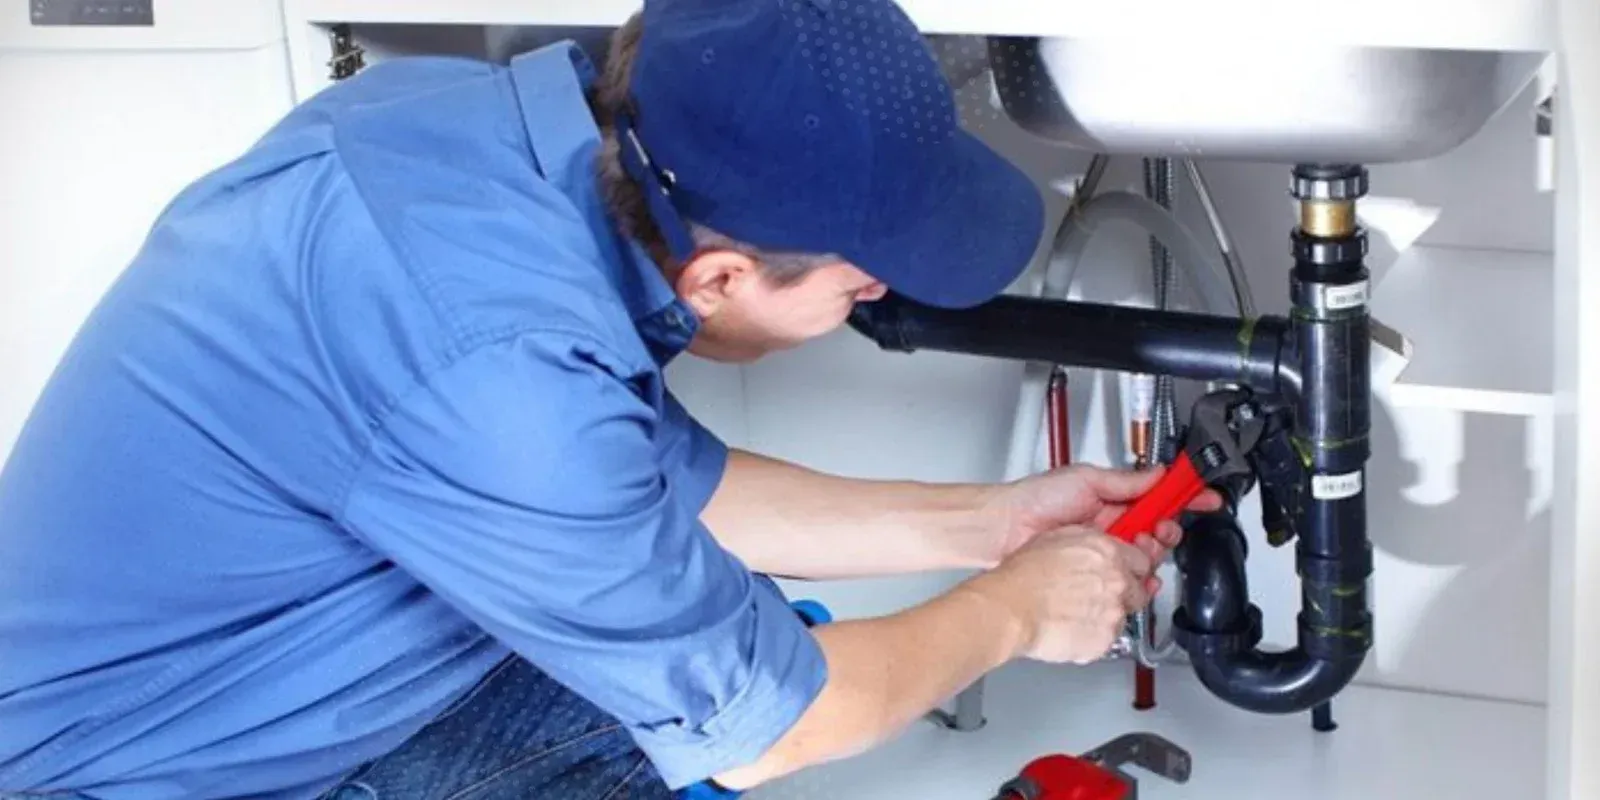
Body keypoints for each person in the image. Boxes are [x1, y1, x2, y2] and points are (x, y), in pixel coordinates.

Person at [0, 1, 1216, 798]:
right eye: (858, 285)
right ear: (723, 276)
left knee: (744, 650)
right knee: (761, 693)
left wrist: (989, 522)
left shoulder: (472, 132)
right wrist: (1011, 609)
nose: (879, 293)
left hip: (275, 683)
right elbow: (772, 732)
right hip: (164, 772)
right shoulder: (504, 369)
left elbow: (655, 484)